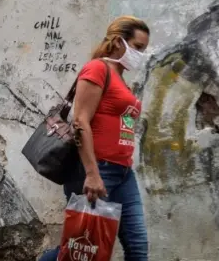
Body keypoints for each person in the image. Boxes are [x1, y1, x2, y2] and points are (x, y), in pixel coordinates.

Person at [39, 16, 150, 261]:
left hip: (123, 172)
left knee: (137, 246)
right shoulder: (97, 69)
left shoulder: (119, 78)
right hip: (96, 169)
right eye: (138, 47)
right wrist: (92, 173)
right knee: (80, 248)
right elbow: (80, 121)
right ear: (119, 42)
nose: (141, 54)